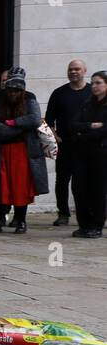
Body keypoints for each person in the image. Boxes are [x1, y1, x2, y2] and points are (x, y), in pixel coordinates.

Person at [0, 67, 47, 234]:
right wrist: (21, 127)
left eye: (17, 90)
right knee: (0, 186)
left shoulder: (29, 98)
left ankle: (20, 220)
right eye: (10, 88)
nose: (13, 93)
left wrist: (12, 123)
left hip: (22, 150)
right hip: (0, 149)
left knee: (21, 186)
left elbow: (34, 119)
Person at [45, 59, 91, 226]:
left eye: (77, 69)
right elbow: (48, 120)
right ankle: (63, 213)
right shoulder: (59, 93)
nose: (73, 72)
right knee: (62, 180)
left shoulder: (93, 92)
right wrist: (55, 136)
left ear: (84, 70)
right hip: (65, 144)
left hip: (87, 145)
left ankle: (86, 213)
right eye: (70, 69)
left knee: (86, 180)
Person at [69, 70, 107, 239]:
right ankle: (84, 224)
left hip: (101, 153)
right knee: (79, 188)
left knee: (97, 190)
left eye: (99, 83)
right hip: (83, 153)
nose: (95, 86)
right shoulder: (87, 104)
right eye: (93, 83)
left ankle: (96, 225)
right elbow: (74, 125)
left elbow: (105, 130)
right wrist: (91, 126)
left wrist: (85, 132)